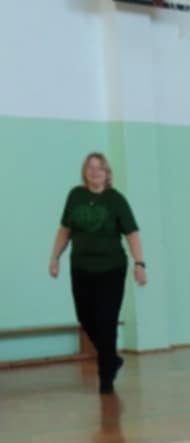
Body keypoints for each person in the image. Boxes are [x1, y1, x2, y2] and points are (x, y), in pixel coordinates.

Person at [48, 153, 146, 394]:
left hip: (111, 270)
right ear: (85, 172)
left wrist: (139, 263)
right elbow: (65, 229)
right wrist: (55, 257)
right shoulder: (75, 195)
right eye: (90, 168)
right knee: (85, 317)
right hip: (81, 268)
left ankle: (106, 377)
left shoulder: (116, 200)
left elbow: (132, 233)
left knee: (106, 320)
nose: (95, 172)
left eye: (100, 168)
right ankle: (111, 357)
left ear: (107, 173)